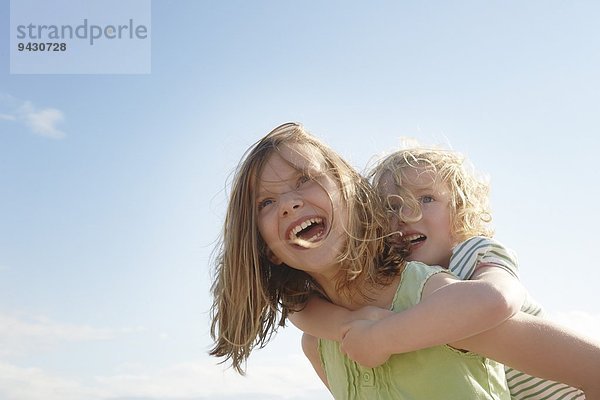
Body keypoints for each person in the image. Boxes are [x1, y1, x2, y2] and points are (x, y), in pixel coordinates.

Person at [209, 123, 600, 399]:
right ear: (263, 248)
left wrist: (381, 336)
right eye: (266, 202)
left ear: (353, 194)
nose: (290, 203)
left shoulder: (441, 301)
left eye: (304, 179)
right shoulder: (319, 343)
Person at [291, 145, 588, 399]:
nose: (408, 215)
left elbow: (499, 294)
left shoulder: (474, 254)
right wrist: (350, 324)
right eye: (392, 207)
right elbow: (302, 309)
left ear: (460, 209)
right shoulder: (407, 284)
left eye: (426, 199)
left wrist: (380, 338)